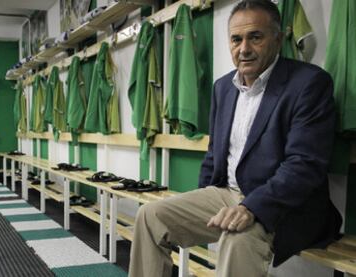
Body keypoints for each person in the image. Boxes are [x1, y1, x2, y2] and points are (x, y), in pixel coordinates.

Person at [128, 0, 342, 276]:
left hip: (286, 204)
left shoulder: (309, 83)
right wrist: (200, 197)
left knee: (236, 237)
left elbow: (304, 164)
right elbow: (215, 153)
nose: (244, 49)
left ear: (277, 39)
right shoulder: (223, 88)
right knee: (150, 216)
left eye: (255, 37)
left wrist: (251, 207)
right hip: (227, 193)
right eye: (236, 39)